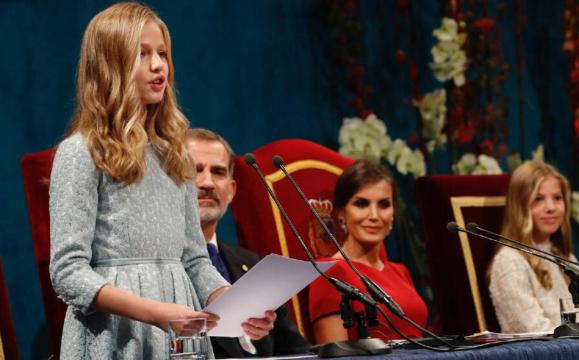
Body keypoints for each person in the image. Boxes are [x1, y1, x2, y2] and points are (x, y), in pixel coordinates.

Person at [49, 3, 273, 359]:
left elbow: (195, 259)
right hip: (117, 335)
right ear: (110, 67)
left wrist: (233, 304)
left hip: (178, 334)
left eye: (163, 54)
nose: (158, 66)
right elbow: (67, 272)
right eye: (142, 54)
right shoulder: (81, 152)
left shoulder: (175, 154)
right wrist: (153, 312)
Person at [186, 128, 311, 357]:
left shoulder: (252, 263)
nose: (208, 183)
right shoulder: (163, 267)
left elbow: (296, 350)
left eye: (218, 172)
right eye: (195, 170)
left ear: (232, 190)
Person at [307, 159, 428, 343]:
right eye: (361, 204)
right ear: (341, 213)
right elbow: (334, 354)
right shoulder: (328, 272)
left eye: (384, 205)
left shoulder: (400, 271)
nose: (374, 216)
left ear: (393, 212)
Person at [487, 160, 579, 333]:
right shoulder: (509, 262)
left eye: (557, 198)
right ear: (520, 206)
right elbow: (535, 332)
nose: (551, 207)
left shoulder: (566, 258)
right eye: (538, 199)